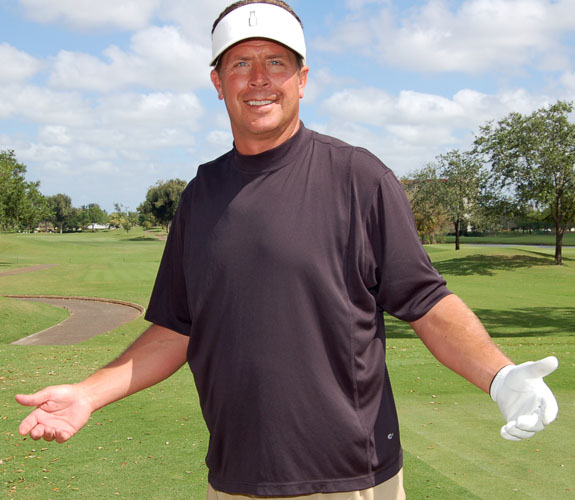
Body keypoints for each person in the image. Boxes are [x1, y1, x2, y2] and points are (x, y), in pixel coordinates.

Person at [16, 1, 559, 499]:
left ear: (303, 79)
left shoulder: (358, 177)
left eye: (276, 63)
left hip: (347, 477)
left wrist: (500, 375)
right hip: (234, 478)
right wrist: (87, 394)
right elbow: (179, 328)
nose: (259, 79)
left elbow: (425, 302)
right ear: (217, 81)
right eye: (240, 63)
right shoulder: (201, 196)